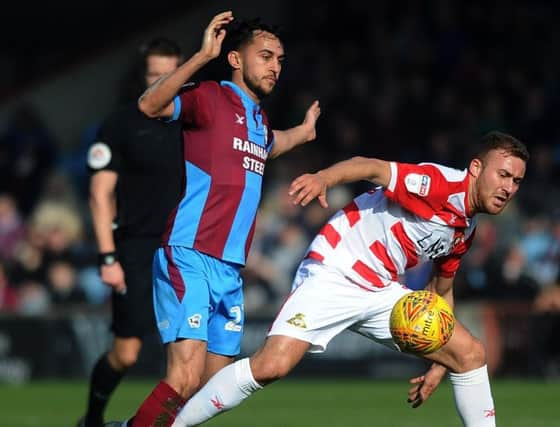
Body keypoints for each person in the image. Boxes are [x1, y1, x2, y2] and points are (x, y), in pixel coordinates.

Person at [171, 131, 529, 427]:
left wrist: (440, 363)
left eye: (516, 181)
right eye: (503, 175)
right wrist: (323, 178)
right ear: (477, 167)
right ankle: (170, 425)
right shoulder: (437, 184)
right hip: (335, 270)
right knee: (271, 366)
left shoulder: (464, 229)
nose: (509, 187)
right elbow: (368, 167)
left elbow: (440, 292)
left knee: (470, 354)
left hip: (381, 290)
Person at [114, 11, 320, 426]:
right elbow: (149, 104)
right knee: (184, 376)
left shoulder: (259, 121)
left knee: (214, 390)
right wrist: (201, 56)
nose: (275, 66)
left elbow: (269, 145)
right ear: (236, 59)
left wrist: (304, 132)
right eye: (265, 56)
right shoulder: (210, 96)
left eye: (279, 59)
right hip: (189, 252)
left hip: (229, 269)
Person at [78, 38, 184, 427]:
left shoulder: (193, 123)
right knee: (126, 354)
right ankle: (91, 419)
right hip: (135, 249)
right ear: (143, 76)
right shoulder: (120, 124)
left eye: (169, 74)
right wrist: (108, 258)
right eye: (154, 75)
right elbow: (99, 194)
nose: (161, 82)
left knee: (190, 357)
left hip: (183, 248)